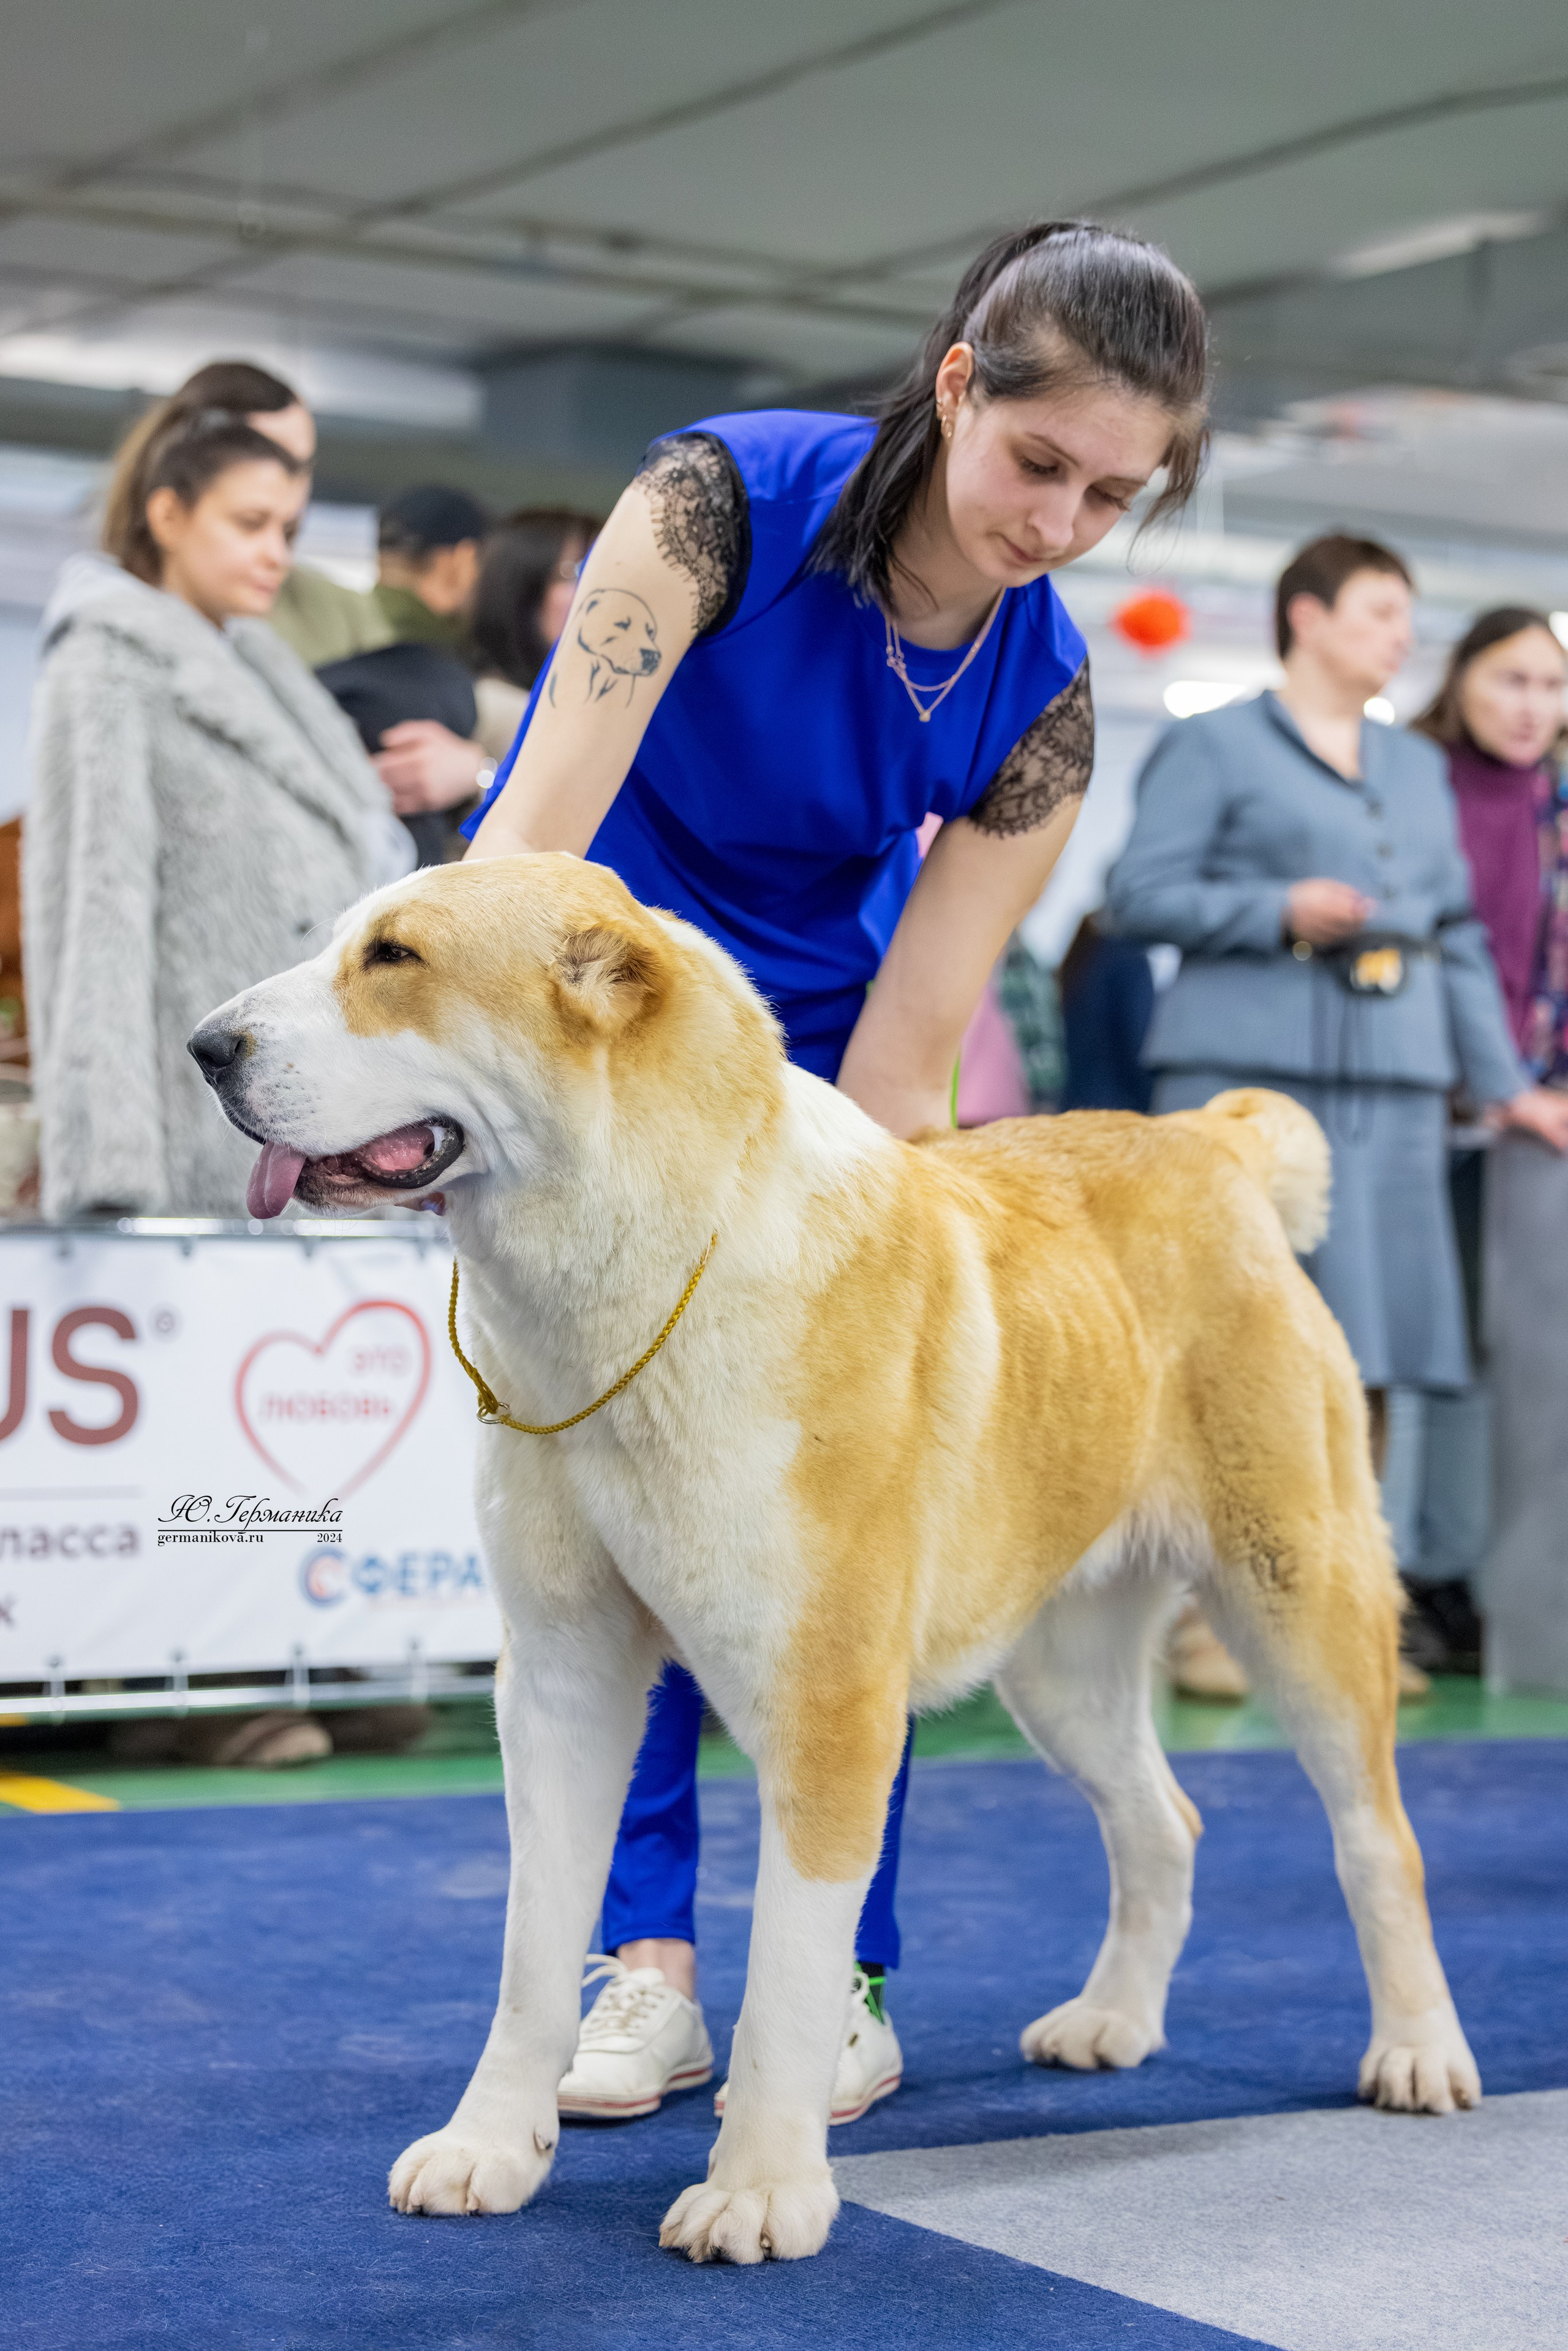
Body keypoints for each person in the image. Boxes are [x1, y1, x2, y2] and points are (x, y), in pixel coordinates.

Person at [462, 219, 1210, 2123]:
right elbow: (533, 846)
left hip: (816, 1041)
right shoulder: (709, 504)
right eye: (1039, 461)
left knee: (849, 1508)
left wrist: (864, 1271)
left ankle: (843, 1975)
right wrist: (489, 1097)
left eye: (1112, 496)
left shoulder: (1047, 700)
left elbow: (912, 1040)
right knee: (609, 1491)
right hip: (596, 997)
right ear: (959, 384)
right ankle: (645, 1969)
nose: (1059, 523)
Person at [1103, 535, 1568, 1697]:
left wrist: (1506, 1083)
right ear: (1306, 617)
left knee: (1371, 1351)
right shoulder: (1216, 743)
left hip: (1397, 1090)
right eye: (1378, 611)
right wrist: (1278, 907)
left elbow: (1457, 933)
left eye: (1407, 616)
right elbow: (1136, 894)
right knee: (1231, 1352)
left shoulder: (1412, 764)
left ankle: (1337, 1624)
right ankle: (1210, 1625)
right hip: (1244, 1086)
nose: (1402, 636)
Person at [26, 406, 410, 1223]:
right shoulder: (105, 667)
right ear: (168, 515)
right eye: (250, 523)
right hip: (195, 1151)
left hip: (309, 1122)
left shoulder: (267, 671)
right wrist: (107, 1170)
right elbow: (93, 916)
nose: (277, 553)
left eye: (288, 530)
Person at [1402, 609, 1568, 1669]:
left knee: (1495, 1353)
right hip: (1425, 1101)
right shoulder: (1414, 785)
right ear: (1460, 678)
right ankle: (1406, 1574)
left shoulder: (1558, 805)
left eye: (1550, 687)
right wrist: (1487, 1080)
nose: (1531, 707)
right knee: (1419, 1347)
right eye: (1511, 680)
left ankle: (1463, 1579)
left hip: (1531, 1114)